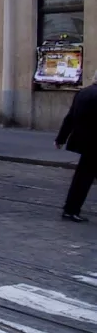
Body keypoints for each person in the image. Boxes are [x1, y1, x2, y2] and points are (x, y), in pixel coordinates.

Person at [55, 69, 97, 222]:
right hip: (94, 145)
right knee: (83, 179)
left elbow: (70, 117)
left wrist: (61, 138)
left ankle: (70, 209)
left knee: (82, 178)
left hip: (84, 143)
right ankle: (70, 209)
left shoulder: (82, 93)